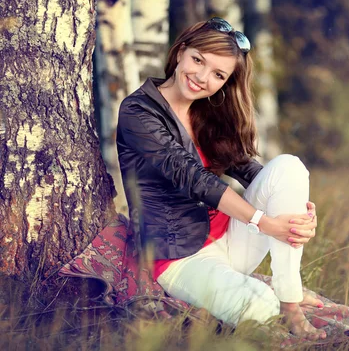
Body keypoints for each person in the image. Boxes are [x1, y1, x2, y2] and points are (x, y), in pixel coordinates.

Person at [116, 18, 327, 340]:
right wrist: (264, 222)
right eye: (198, 60)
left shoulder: (207, 112)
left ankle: (290, 300)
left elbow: (249, 170)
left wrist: (298, 213)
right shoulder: (138, 111)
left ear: (226, 82)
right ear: (181, 52)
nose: (202, 78)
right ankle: (272, 302)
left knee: (289, 166)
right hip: (180, 255)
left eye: (218, 75)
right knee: (259, 308)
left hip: (231, 239)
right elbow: (192, 177)